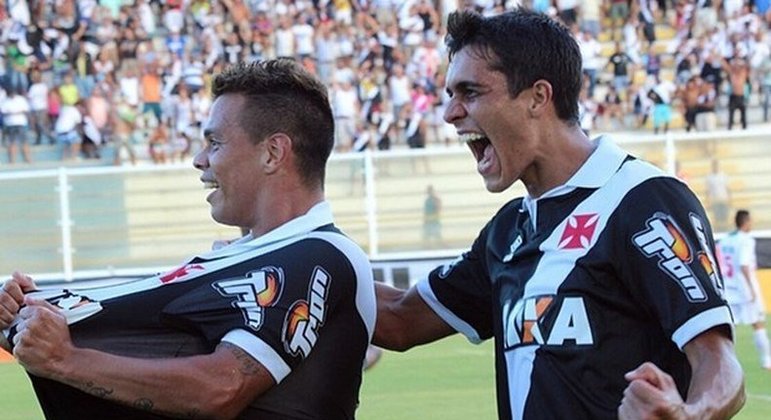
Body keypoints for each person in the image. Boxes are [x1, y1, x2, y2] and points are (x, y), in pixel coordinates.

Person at [374, 9, 745, 420]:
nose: (450, 113)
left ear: (538, 97)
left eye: (470, 92)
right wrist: (309, 250)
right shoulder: (507, 232)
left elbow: (720, 361)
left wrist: (692, 414)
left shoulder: (641, 200)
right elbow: (399, 319)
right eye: (449, 95)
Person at [0, 59, 376, 419]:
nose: (199, 159)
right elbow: (137, 335)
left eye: (215, 143)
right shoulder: (237, 259)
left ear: (273, 153)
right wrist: (22, 315)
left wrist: (66, 360)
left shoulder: (317, 254)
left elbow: (222, 387)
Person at [718, 210, 771, 371]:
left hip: (729, 290)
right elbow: (744, 265)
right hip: (744, 289)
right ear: (746, 222)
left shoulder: (725, 240)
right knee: (758, 324)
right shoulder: (746, 240)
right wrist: (751, 289)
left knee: (729, 329)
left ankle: (726, 364)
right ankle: (767, 361)